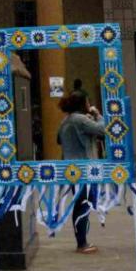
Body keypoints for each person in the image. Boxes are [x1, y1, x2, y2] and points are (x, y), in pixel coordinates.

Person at [58, 92, 105, 253]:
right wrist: (98, 115)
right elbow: (103, 130)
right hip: (84, 168)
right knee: (83, 204)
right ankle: (82, 243)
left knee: (79, 204)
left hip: (71, 168)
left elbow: (58, 139)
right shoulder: (81, 119)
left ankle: (81, 240)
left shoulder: (66, 120)